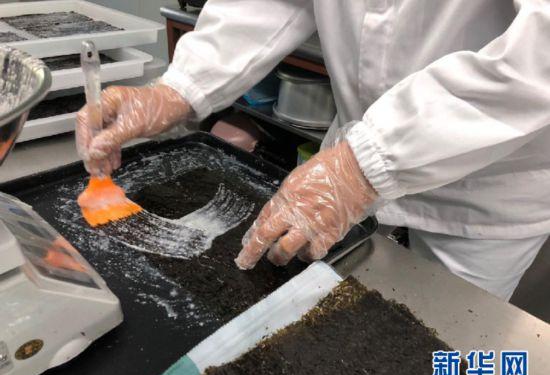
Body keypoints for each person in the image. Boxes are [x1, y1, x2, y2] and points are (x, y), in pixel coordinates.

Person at [76, 1, 550, 301]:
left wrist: (364, 166)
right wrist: (181, 86)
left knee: (444, 357)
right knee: (323, 318)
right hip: (352, 151)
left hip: (487, 181)